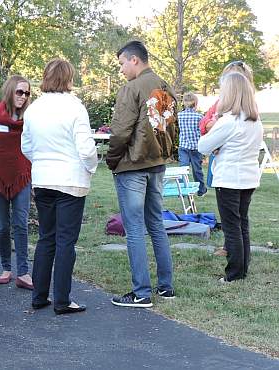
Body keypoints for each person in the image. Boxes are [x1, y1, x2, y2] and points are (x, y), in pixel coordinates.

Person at [21, 59, 97, 315]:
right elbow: (86, 149)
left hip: (43, 178)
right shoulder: (75, 107)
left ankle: (39, 295)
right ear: (69, 78)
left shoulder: (33, 109)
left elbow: (26, 146)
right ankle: (62, 299)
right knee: (66, 240)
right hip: (70, 180)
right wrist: (91, 167)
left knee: (46, 237)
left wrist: (41, 162)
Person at [106, 41, 177, 308]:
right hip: (157, 163)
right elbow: (171, 128)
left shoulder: (132, 88)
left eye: (122, 63)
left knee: (134, 227)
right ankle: (166, 287)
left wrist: (112, 160)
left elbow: (121, 131)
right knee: (156, 223)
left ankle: (141, 293)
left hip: (133, 165)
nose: (122, 69)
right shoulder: (165, 86)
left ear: (134, 60)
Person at [198, 72, 263, 283]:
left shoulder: (228, 121)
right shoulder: (255, 121)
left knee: (232, 227)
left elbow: (203, 146)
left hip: (229, 179)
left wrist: (216, 141)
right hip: (249, 178)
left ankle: (234, 274)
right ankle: (242, 269)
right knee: (242, 224)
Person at [0, 75, 33, 290]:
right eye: (19, 92)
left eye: (27, 93)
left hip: (22, 175)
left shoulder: (31, 117)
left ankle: (23, 272)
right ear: (10, 91)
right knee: (2, 225)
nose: (23, 97)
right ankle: (6, 267)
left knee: (20, 223)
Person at [177, 92, 206, 196]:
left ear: (184, 103)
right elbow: (203, 131)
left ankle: (182, 190)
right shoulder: (200, 116)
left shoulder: (179, 116)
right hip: (196, 147)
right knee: (197, 170)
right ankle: (201, 190)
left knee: (182, 169)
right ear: (196, 103)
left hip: (183, 146)